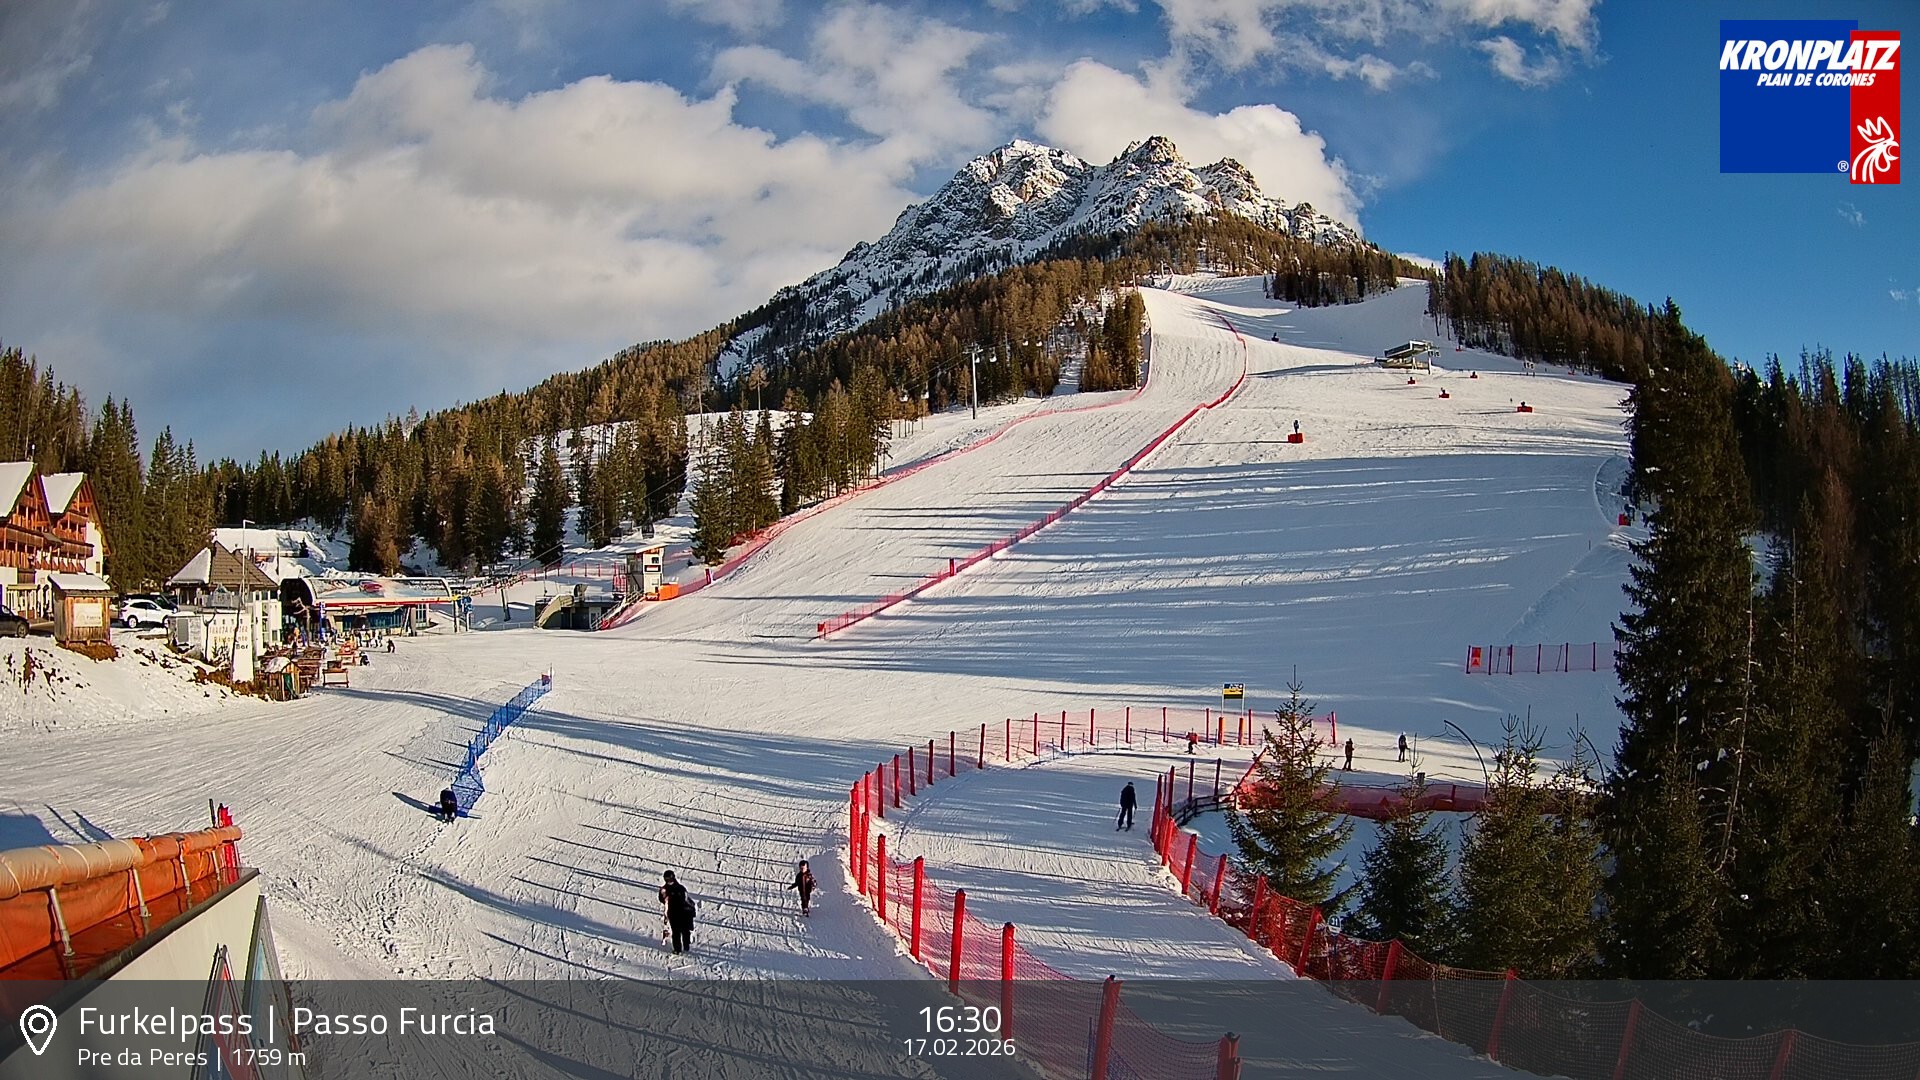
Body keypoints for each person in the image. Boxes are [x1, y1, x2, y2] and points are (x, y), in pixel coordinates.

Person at [659, 871, 695, 954]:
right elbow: (662, 899)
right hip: (673, 914)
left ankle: (686, 945)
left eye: (670, 879)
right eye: (666, 879)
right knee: (676, 932)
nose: (669, 881)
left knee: (685, 931)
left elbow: (686, 900)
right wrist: (662, 895)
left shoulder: (680, 888)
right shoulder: (665, 889)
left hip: (683, 913)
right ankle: (677, 949)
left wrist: (690, 910)